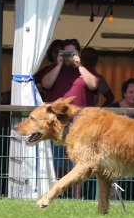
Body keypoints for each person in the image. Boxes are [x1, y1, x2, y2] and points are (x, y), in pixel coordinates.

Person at [35, 38, 99, 199]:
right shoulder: (53, 68)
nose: (69, 56)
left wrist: (80, 65)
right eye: (66, 53)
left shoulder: (86, 69)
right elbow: (46, 84)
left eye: (72, 53)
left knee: (78, 160)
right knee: (56, 159)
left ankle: (76, 197)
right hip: (56, 122)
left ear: (79, 53)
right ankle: (55, 193)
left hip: (79, 122)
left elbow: (93, 85)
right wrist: (59, 64)